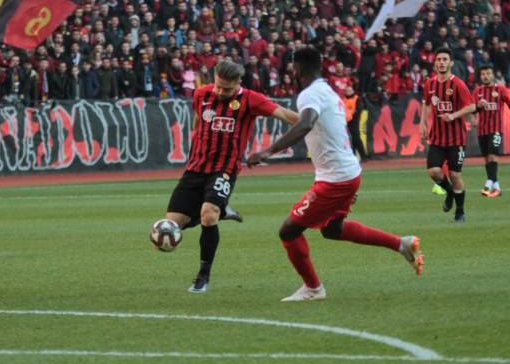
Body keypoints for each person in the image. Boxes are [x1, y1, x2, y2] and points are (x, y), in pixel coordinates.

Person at [246, 47, 423, 302]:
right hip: (347, 172)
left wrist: (268, 151)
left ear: (298, 68)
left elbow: (306, 123)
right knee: (332, 230)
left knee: (288, 231)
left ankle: (313, 288)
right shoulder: (328, 91)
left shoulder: (311, 94)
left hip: (336, 179)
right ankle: (401, 244)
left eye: (292, 66)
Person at [165, 60, 298, 294]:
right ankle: (222, 209)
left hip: (224, 169)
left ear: (239, 83)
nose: (219, 91)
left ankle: (203, 277)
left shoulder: (251, 99)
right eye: (217, 85)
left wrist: (317, 124)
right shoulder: (201, 94)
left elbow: (287, 116)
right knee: (172, 224)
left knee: (208, 216)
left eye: (226, 88)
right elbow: (197, 122)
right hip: (195, 168)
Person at [420, 47, 476, 222]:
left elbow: (471, 106)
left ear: (451, 63)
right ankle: (450, 193)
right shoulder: (430, 84)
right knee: (433, 172)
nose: (442, 62)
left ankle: (460, 211)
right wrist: (422, 122)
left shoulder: (458, 83)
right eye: (439, 59)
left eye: (445, 59)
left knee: (455, 175)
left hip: (457, 139)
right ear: (435, 63)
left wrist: (453, 115)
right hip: (436, 137)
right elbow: (426, 104)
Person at [473, 65, 510, 197]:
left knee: (493, 155)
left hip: (496, 129)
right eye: (483, 74)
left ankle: (488, 183)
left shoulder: (500, 90)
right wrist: (478, 107)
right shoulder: (477, 91)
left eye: (488, 73)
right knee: (487, 158)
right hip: (482, 130)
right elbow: (472, 110)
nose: (485, 76)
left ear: (492, 75)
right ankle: (497, 188)